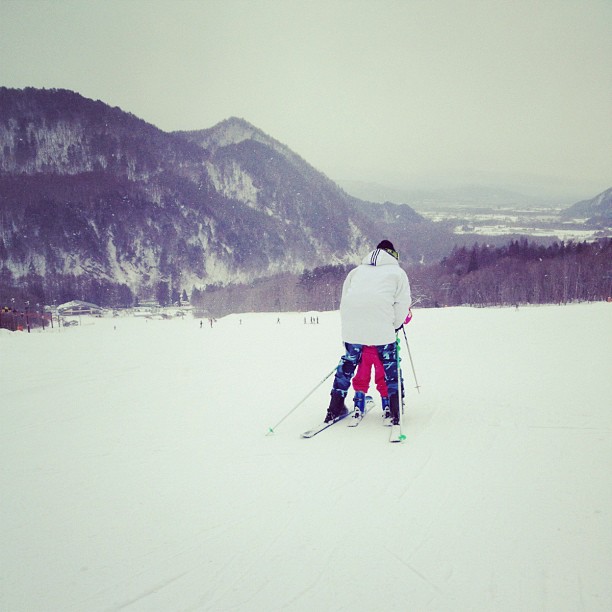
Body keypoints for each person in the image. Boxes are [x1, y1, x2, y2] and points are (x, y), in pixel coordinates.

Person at [324, 240, 411, 425]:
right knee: (390, 368)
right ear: (393, 255)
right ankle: (395, 410)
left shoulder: (356, 272)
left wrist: (350, 328)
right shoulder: (397, 273)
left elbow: (345, 301)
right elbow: (402, 305)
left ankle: (335, 408)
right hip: (382, 330)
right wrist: (393, 326)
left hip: (352, 329)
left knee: (347, 367)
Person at [351, 308, 412, 422]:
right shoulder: (384, 301)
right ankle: (387, 403)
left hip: (366, 348)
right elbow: (406, 318)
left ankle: (359, 403)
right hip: (382, 348)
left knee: (362, 376)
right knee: (382, 377)